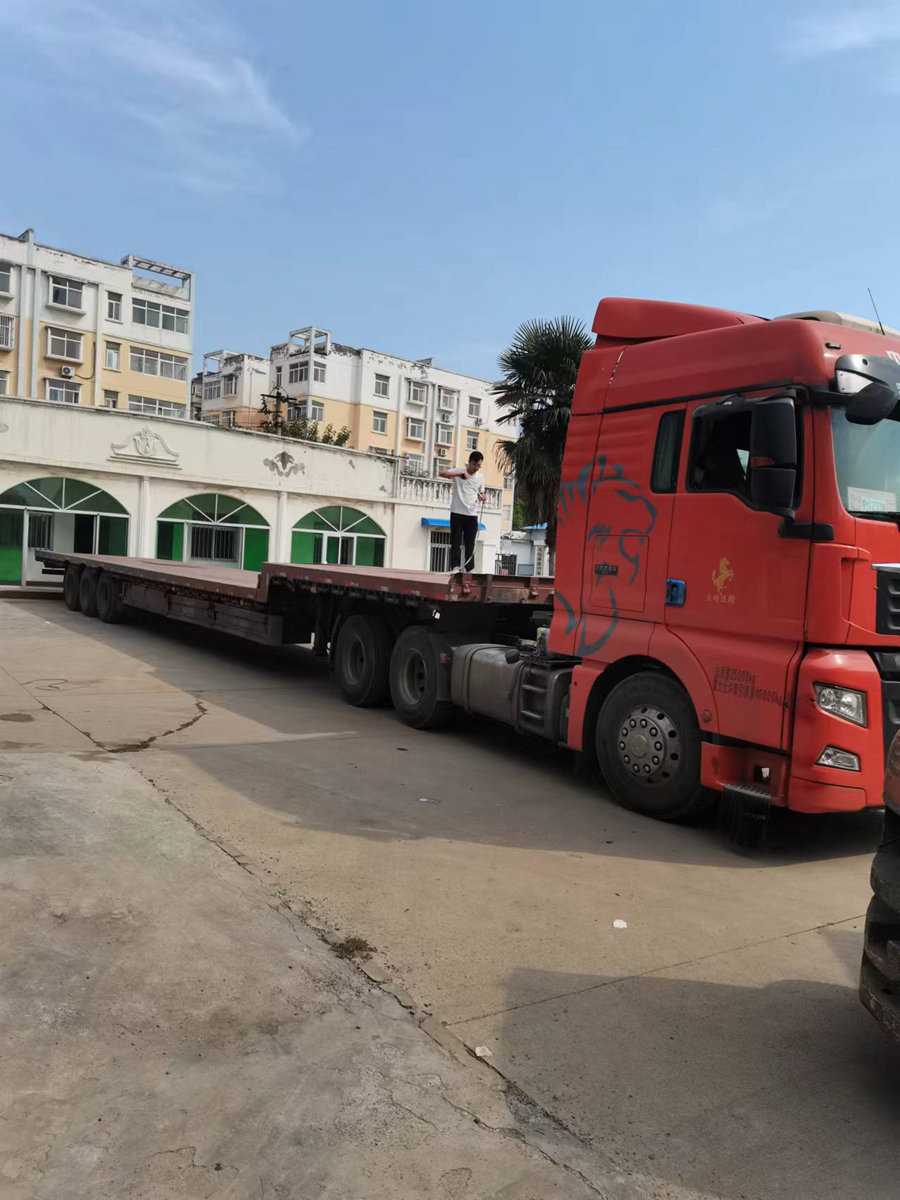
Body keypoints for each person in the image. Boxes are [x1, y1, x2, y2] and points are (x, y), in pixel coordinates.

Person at [440, 451, 486, 573]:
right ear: (469, 462)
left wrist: (482, 497)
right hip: (457, 512)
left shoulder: (480, 477)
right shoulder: (459, 471)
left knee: (470, 543)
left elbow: (481, 492)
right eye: (474, 465)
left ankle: (469, 568)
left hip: (472, 514)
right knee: (455, 541)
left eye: (478, 466)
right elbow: (442, 473)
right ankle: (455, 566)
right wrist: (459, 475)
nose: (476, 468)